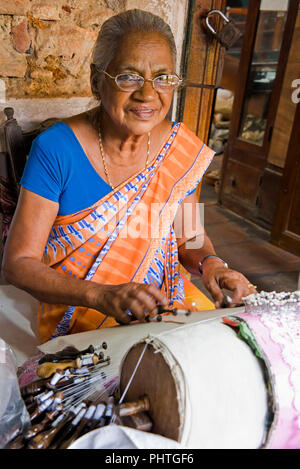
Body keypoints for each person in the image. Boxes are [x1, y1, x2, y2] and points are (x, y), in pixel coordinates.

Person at [2, 9, 256, 343]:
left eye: (163, 77)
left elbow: (190, 238)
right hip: (84, 313)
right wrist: (102, 296)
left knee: (230, 353)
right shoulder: (56, 149)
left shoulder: (180, 149)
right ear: (97, 80)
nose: (148, 94)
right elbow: (19, 262)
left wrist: (212, 265)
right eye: (129, 76)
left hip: (165, 304)